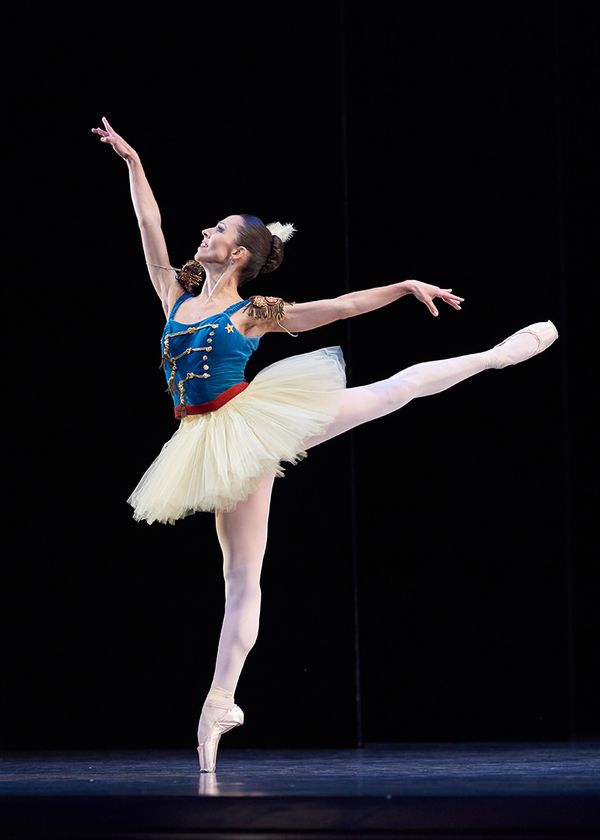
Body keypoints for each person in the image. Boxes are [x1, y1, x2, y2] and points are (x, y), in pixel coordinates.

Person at [91, 116, 559, 773]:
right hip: (205, 439)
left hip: (251, 421)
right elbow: (149, 227)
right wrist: (134, 161)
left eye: (218, 230)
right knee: (240, 580)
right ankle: (220, 703)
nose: (204, 233)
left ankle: (494, 356)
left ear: (240, 255)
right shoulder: (173, 293)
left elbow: (336, 307)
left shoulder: (251, 312)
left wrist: (402, 287)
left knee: (388, 393)